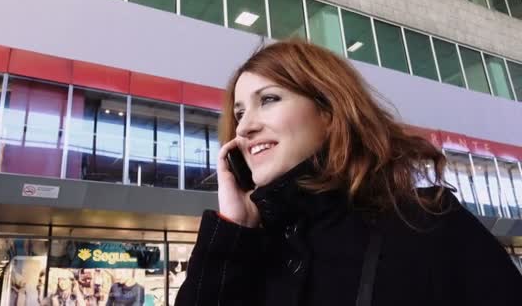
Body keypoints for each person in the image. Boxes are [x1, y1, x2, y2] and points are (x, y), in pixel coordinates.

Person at [174, 40, 522, 306]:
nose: (244, 127)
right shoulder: (247, 250)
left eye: (268, 100)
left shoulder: (428, 222)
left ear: (329, 111)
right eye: (239, 112)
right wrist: (233, 233)